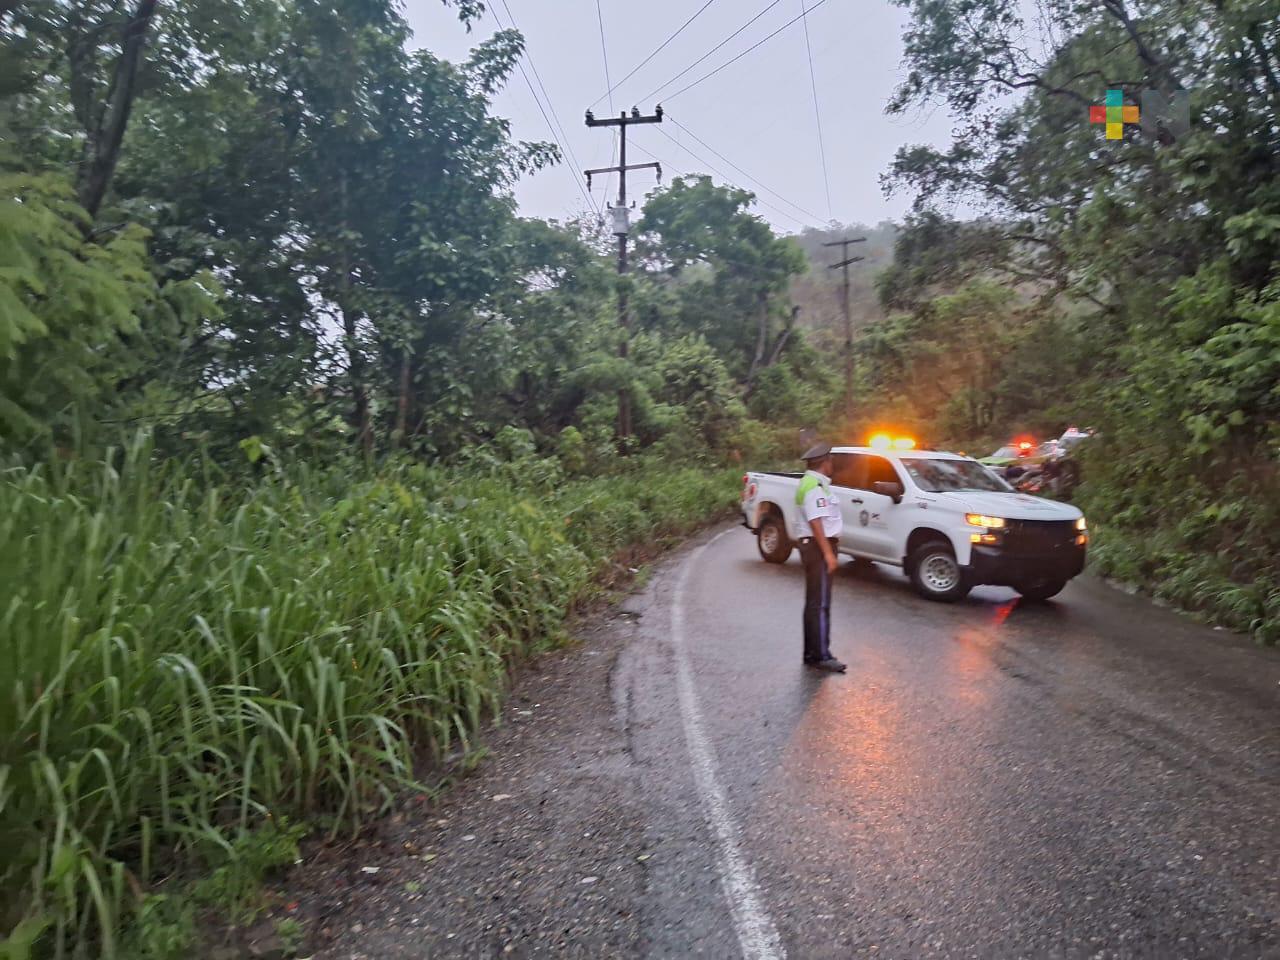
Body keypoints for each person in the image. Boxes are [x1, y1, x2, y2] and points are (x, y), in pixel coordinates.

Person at [796, 443, 846, 673]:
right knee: (821, 604)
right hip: (818, 547)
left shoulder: (812, 483)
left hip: (814, 546)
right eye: (830, 460)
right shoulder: (814, 486)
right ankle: (822, 655)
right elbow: (816, 521)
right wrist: (828, 553)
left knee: (814, 603)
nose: (832, 464)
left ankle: (811, 653)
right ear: (824, 462)